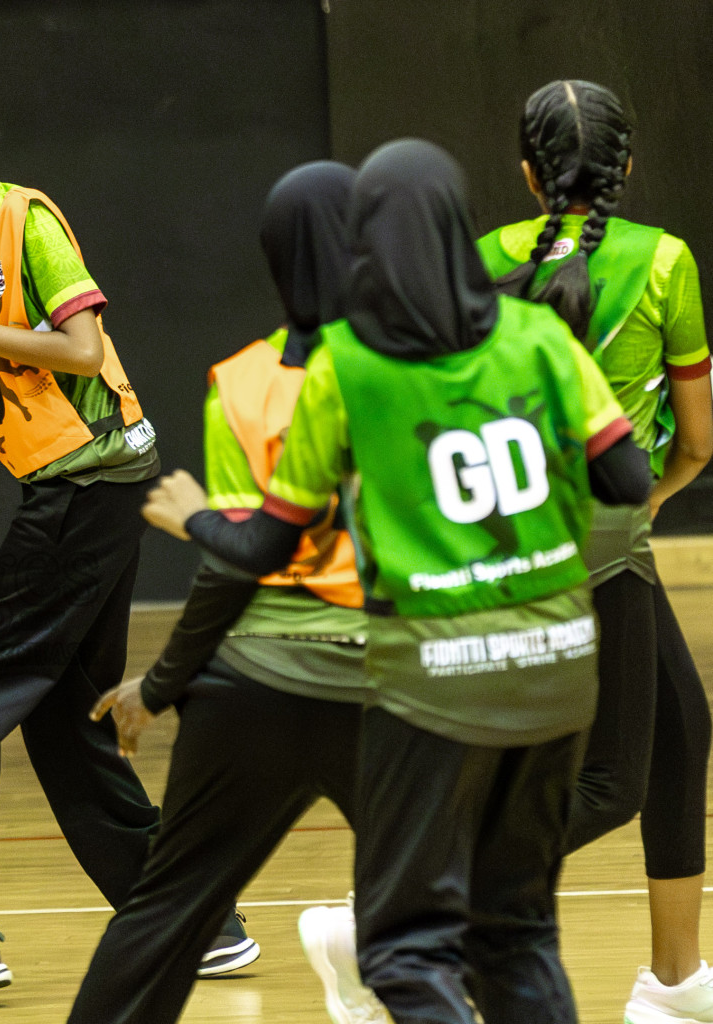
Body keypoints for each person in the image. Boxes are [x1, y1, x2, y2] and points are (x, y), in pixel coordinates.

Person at [176, 139, 650, 1023]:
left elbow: (272, 543)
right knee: (517, 935)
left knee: (403, 949)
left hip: (432, 675)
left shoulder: (347, 366)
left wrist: (191, 517)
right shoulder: (539, 337)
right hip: (556, 662)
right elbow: (625, 481)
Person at [0, 58, 255, 996]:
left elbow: (79, 349)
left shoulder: (29, 220)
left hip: (87, 484)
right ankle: (192, 918)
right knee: (66, 724)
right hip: (77, 488)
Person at [61, 160, 386, 1024]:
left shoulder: (237, 380)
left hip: (249, 692)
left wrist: (160, 686)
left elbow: (234, 565)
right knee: (465, 902)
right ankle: (365, 957)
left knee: (164, 917)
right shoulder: (416, 374)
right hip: (380, 687)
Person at [473, 79, 713, 1024]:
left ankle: (675, 979)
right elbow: (697, 440)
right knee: (609, 781)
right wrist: (640, 503)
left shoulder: (484, 259)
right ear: (629, 167)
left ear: (526, 173)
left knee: (682, 729)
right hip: (605, 545)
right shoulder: (663, 263)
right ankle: (394, 912)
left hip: (514, 543)